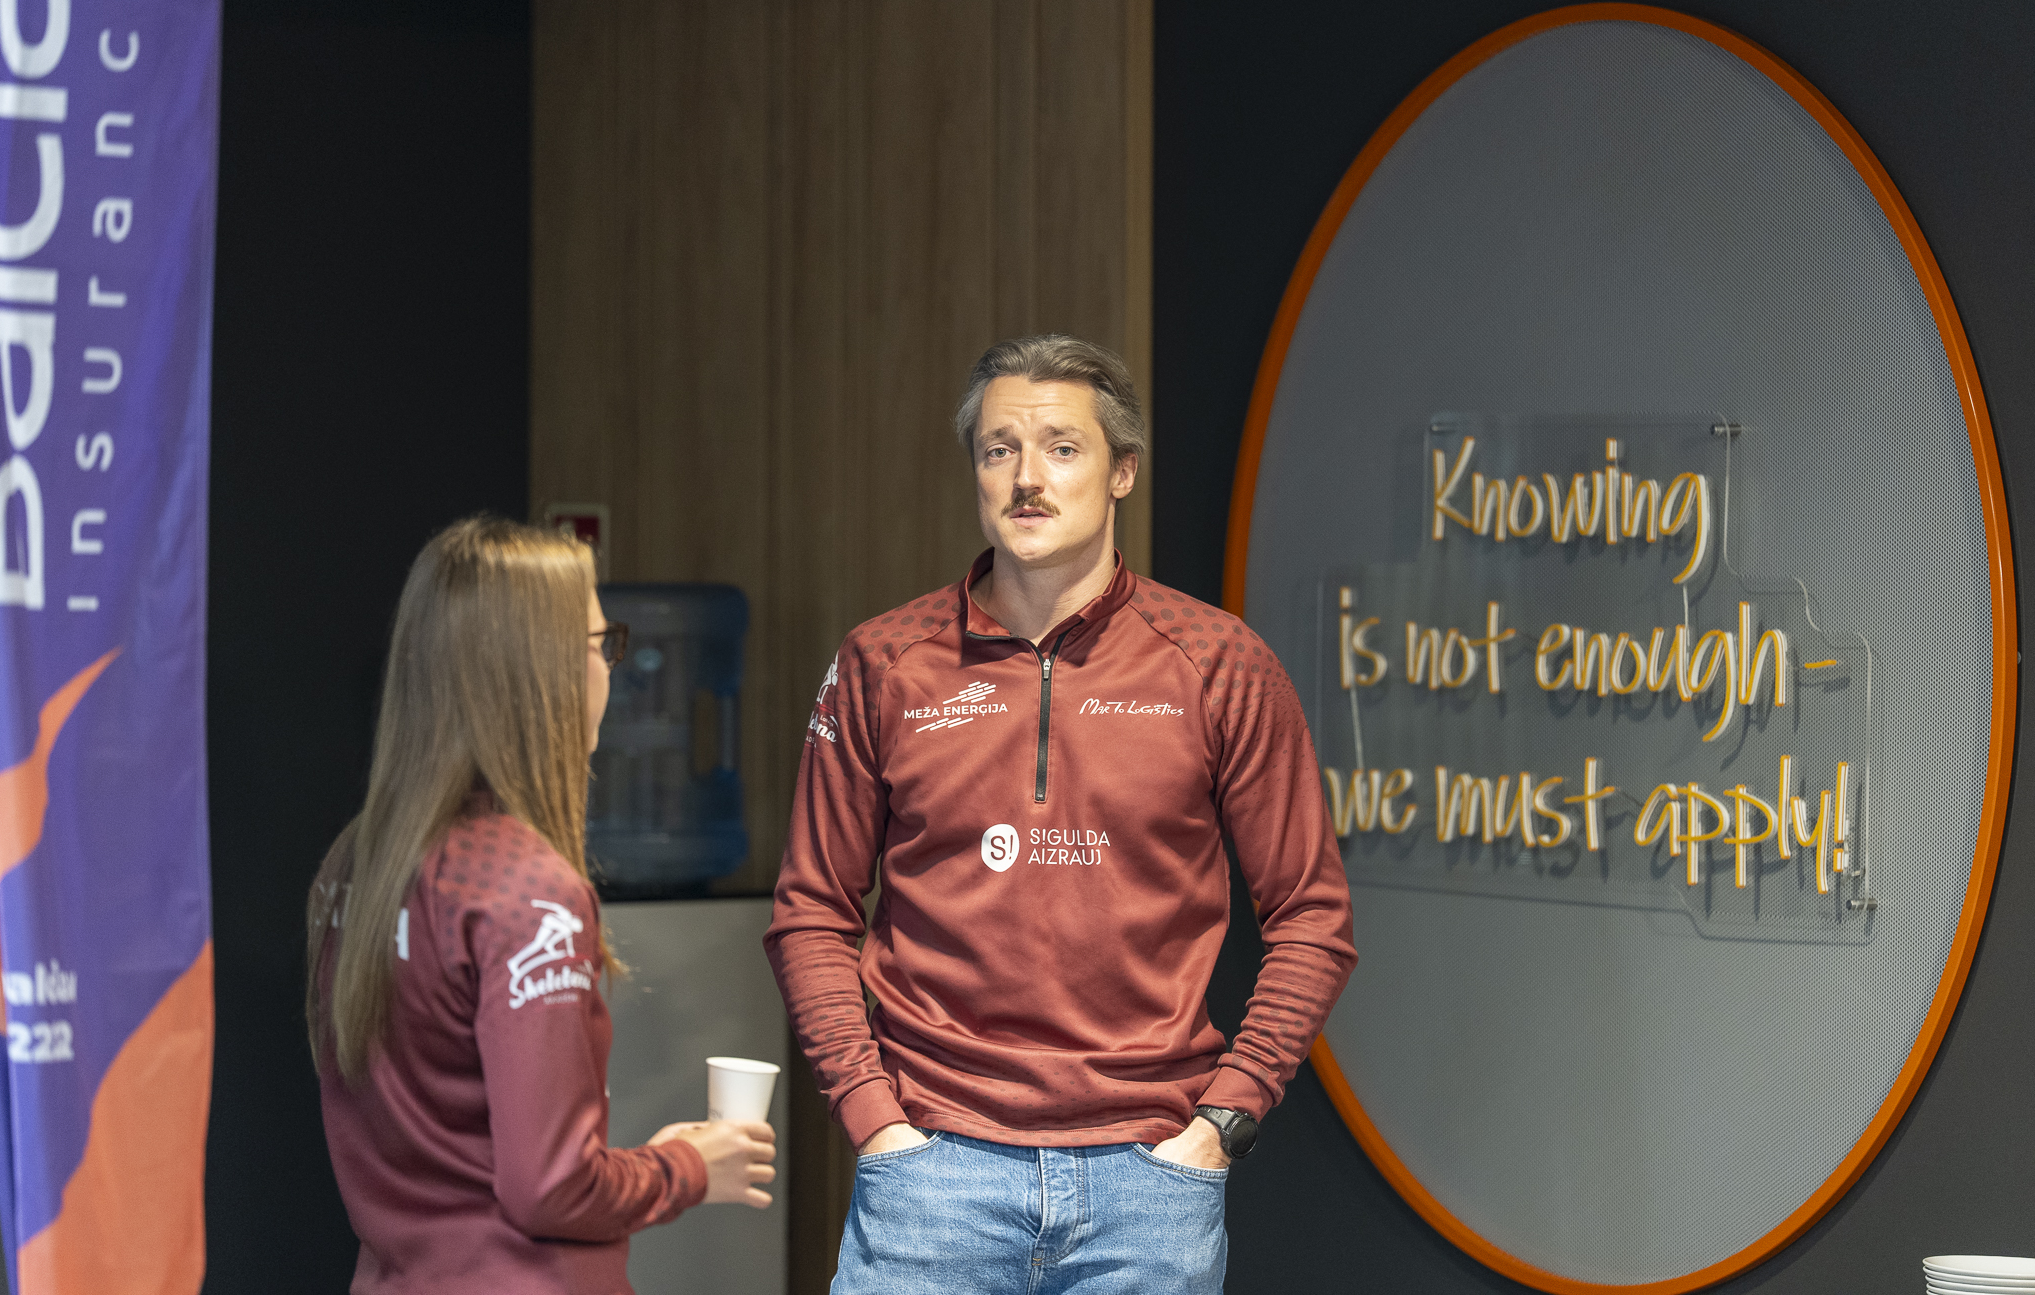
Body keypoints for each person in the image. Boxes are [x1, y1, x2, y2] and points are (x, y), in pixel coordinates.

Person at [766, 336, 1357, 1292]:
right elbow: (810, 910)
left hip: (1150, 1185)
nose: (1027, 479)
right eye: (999, 449)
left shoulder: (1218, 661)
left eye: (1062, 448)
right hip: (931, 1173)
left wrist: (1224, 1120)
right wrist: (872, 1116)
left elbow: (1313, 918)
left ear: (1123, 471)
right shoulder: (884, 661)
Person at [309, 516, 775, 1294]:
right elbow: (552, 1187)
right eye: (600, 643)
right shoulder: (530, 891)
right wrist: (690, 1165)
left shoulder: (353, 864)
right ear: (538, 671)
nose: (609, 669)